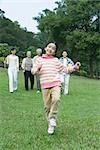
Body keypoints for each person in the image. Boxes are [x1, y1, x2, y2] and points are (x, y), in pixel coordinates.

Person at [31, 43, 81, 135]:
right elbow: (33, 70)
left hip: (55, 84)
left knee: (56, 99)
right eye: (49, 47)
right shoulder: (39, 60)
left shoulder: (56, 60)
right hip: (45, 85)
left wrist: (74, 67)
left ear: (54, 52)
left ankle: (53, 117)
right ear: (45, 48)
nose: (50, 49)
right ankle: (50, 123)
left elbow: (65, 69)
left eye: (53, 48)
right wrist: (36, 69)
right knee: (47, 107)